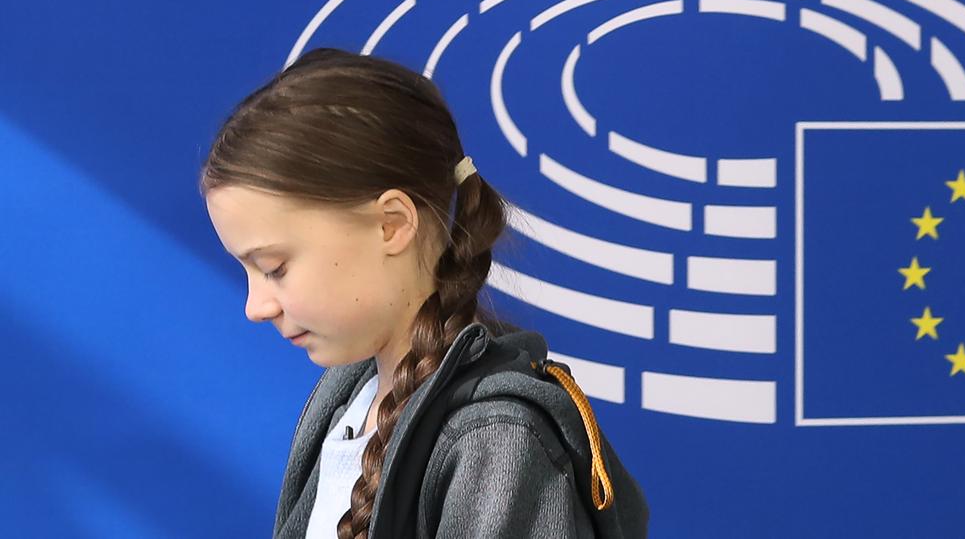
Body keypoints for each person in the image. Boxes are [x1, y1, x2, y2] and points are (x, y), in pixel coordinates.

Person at [199, 48, 650, 539]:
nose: (255, 307)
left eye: (274, 267)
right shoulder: (348, 401)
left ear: (392, 224)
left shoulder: (495, 441)